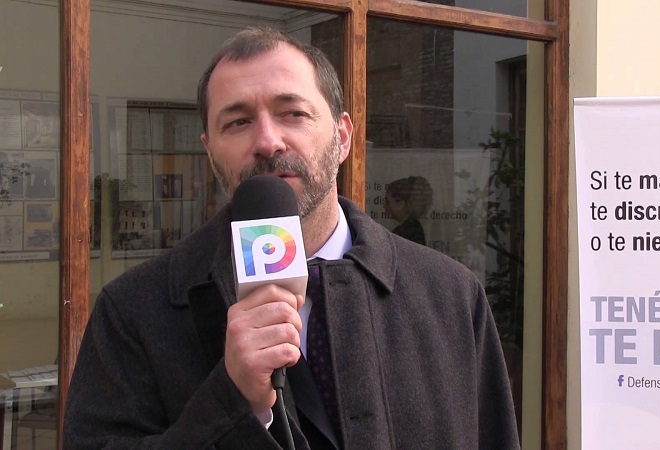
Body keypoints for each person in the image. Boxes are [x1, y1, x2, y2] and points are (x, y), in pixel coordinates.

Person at [64, 26, 519, 450]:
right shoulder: (133, 311)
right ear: (210, 151)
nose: (268, 141)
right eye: (238, 122)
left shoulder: (450, 295)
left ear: (342, 138)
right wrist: (232, 399)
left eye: (293, 113)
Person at [384, 175, 432, 245]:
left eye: (388, 202)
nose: (384, 206)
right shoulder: (411, 228)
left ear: (401, 204)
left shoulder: (409, 231)